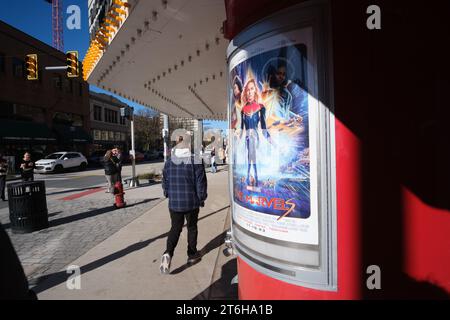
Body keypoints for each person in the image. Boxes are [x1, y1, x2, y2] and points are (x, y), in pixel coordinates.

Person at [160, 138, 208, 274]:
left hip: (174, 203)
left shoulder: (169, 162)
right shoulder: (195, 161)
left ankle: (168, 253)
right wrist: (201, 198)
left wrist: (168, 194)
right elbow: (201, 183)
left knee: (175, 228)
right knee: (192, 228)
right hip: (191, 202)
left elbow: (165, 182)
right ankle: (192, 254)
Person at [239, 78, 271, 186]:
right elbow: (241, 128)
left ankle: (256, 178)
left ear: (255, 91)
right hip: (247, 137)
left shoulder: (261, 107)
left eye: (252, 89)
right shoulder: (243, 109)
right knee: (249, 157)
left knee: (254, 157)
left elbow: (263, 126)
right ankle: (250, 178)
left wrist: (270, 139)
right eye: (247, 90)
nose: (249, 92)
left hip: (256, 137)